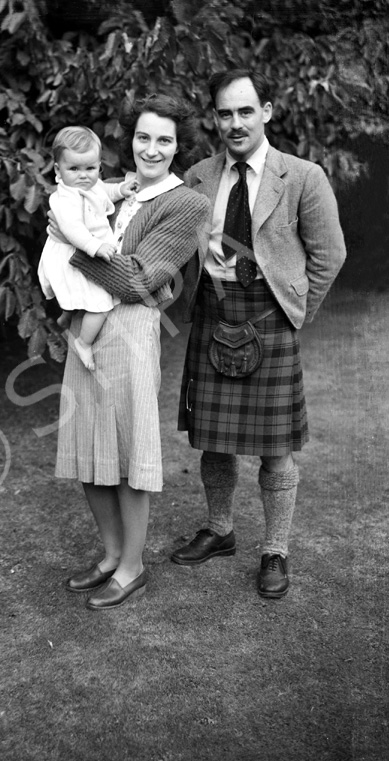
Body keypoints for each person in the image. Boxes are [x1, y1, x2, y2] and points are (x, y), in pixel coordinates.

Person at [173, 68, 347, 598]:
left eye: (245, 111)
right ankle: (220, 530)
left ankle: (275, 549)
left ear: (266, 111)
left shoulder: (302, 176)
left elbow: (329, 255)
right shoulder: (197, 176)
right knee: (213, 439)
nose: (235, 122)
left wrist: (296, 311)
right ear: (215, 118)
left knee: (276, 448)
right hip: (214, 312)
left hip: (271, 319)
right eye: (224, 113)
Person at [53, 94, 210, 610]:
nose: (152, 148)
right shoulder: (107, 187)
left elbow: (142, 279)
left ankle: (133, 566)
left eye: (164, 139)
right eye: (144, 136)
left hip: (131, 334)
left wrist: (74, 251)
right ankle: (110, 555)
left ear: (179, 146)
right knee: (88, 448)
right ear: (131, 140)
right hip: (87, 327)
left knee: (124, 451)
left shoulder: (187, 204)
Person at [38, 126, 138, 371]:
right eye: (74, 169)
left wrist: (120, 190)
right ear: (57, 170)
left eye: (90, 168)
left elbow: (104, 190)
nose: (84, 175)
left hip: (83, 251)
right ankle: (84, 342)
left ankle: (67, 314)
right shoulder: (65, 198)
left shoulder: (89, 185)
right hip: (72, 254)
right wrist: (95, 246)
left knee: (81, 294)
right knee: (101, 301)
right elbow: (72, 229)